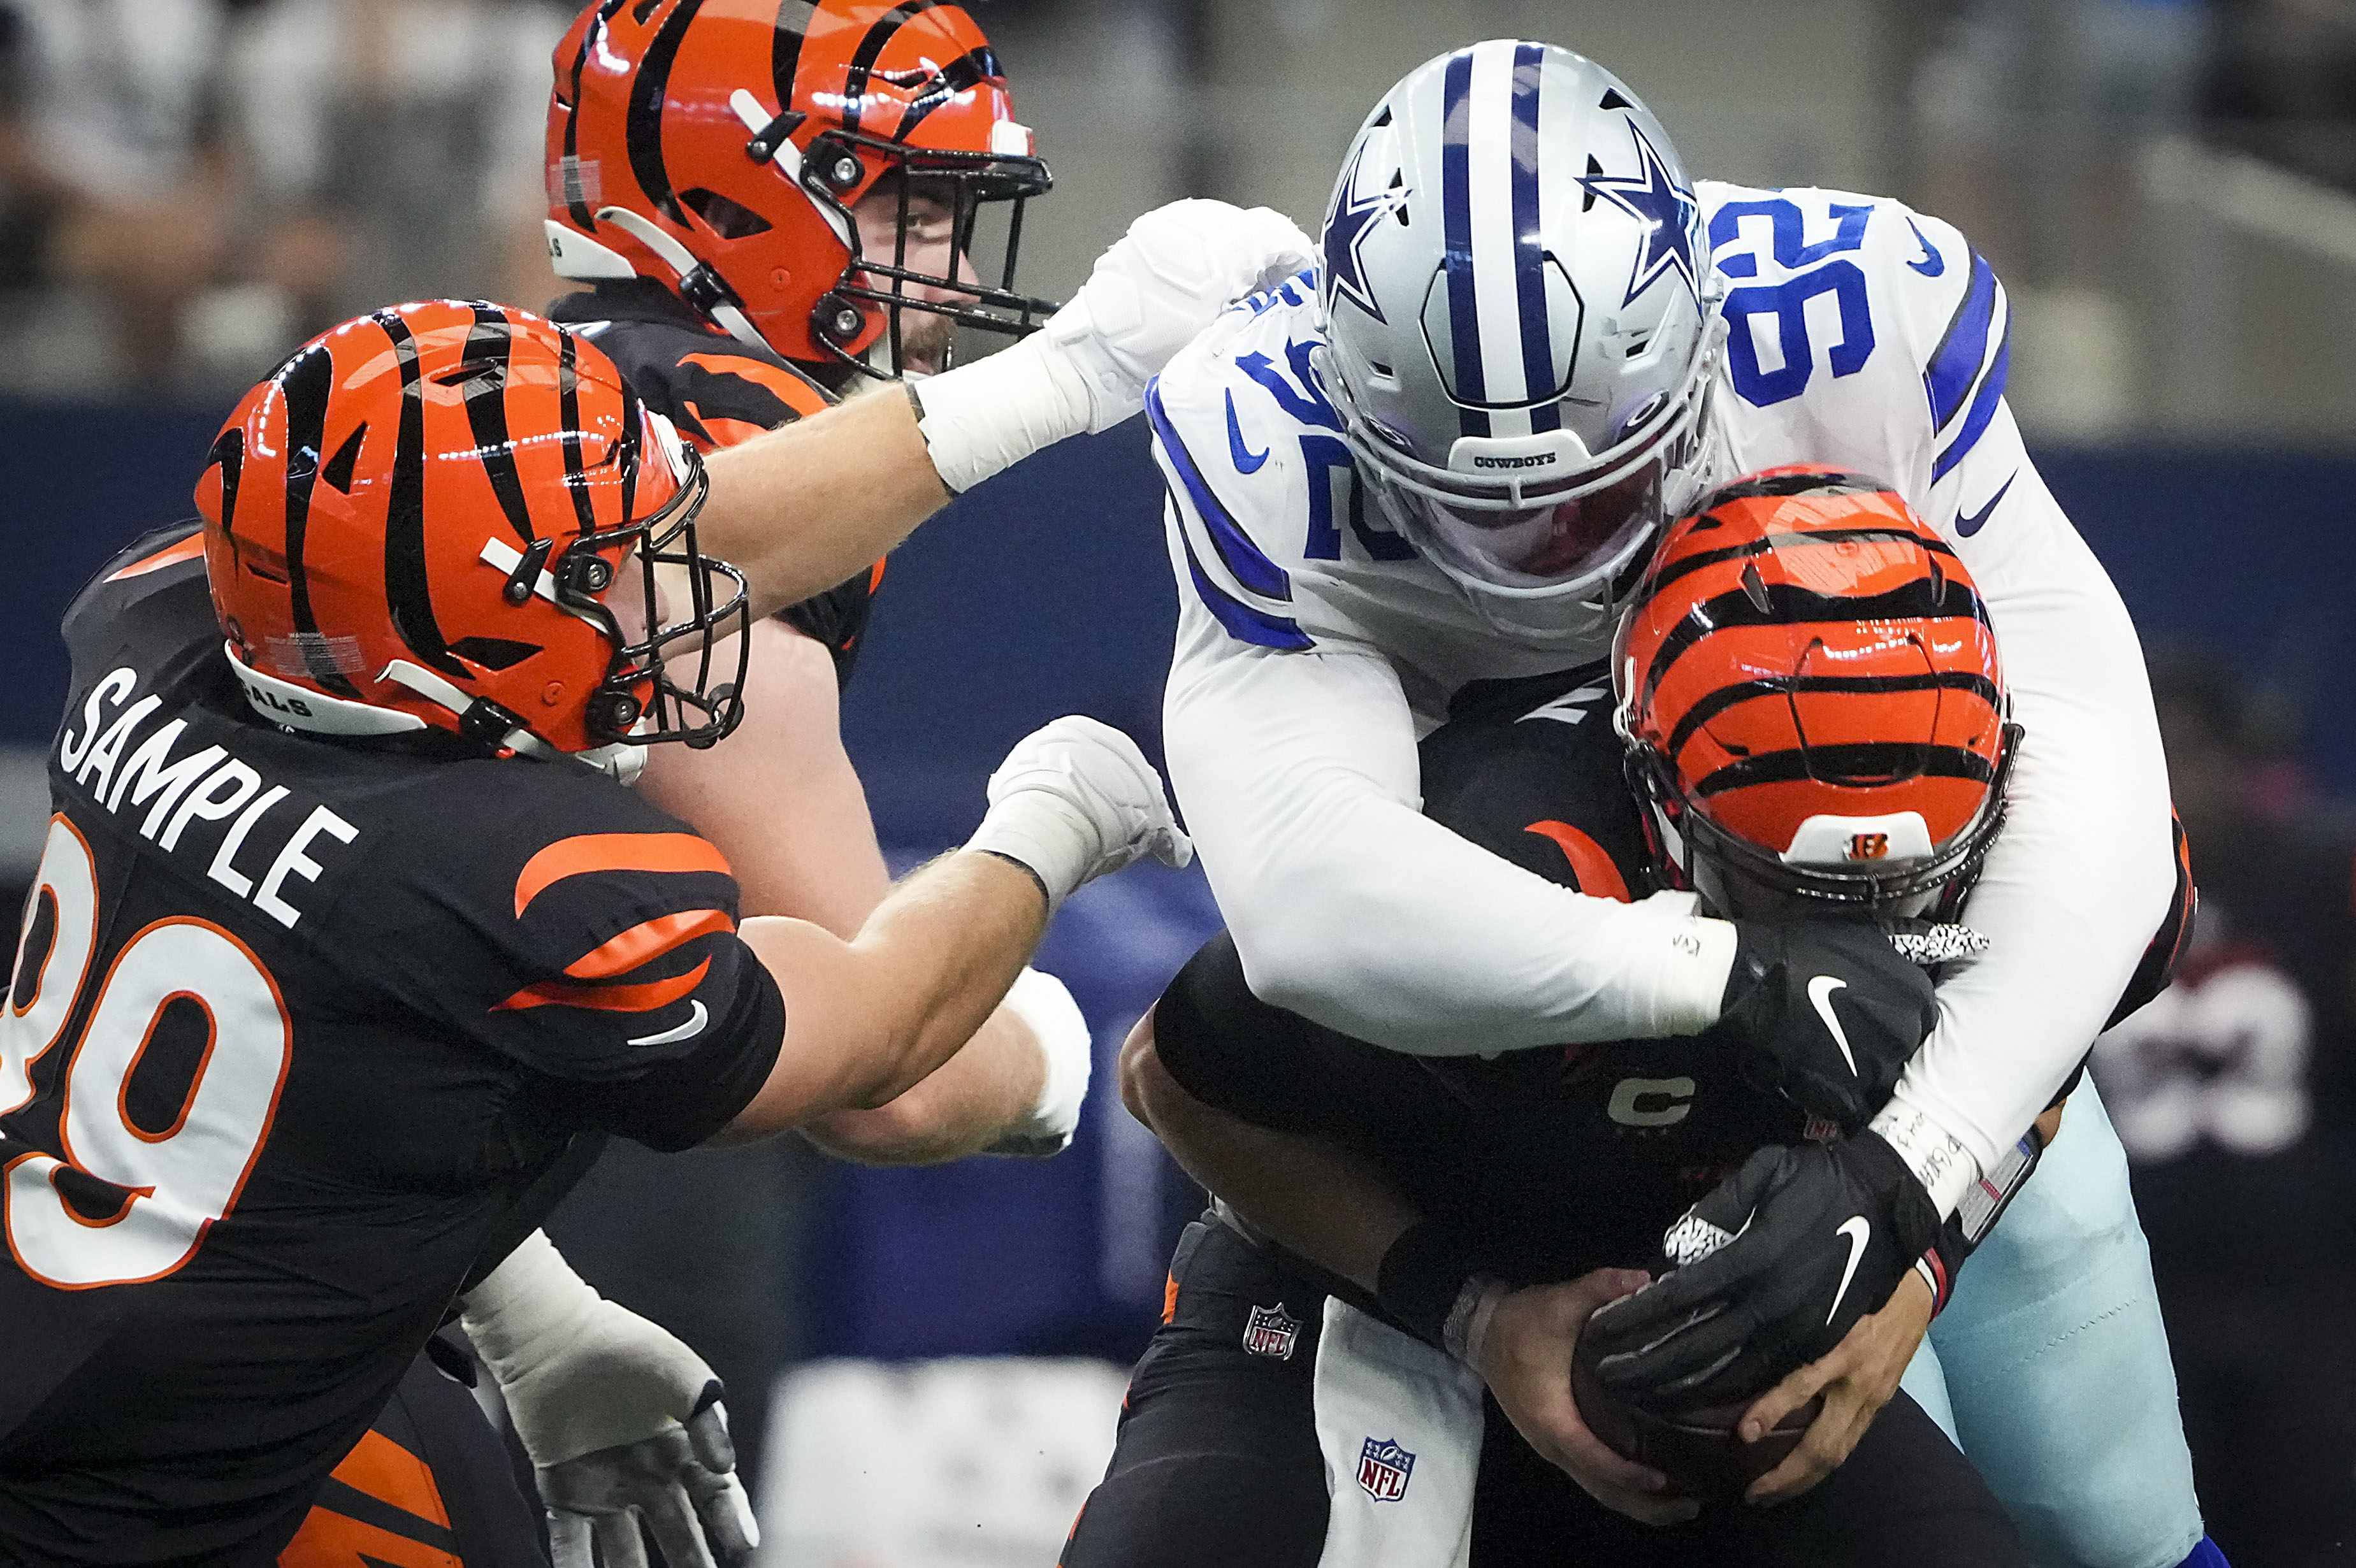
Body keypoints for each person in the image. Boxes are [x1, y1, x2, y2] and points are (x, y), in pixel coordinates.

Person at [0, 175, 1315, 1565]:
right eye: (614, 569)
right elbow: (878, 1032)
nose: (678, 590)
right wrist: (1050, 831)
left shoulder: (163, 629)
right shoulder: (529, 882)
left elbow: (335, 1084)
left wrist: (533, 1316)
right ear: (483, 638)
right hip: (112, 1506)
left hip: (117, 1319)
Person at [1145, 41, 2219, 1568]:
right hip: (1510, 1038)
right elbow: (1306, 928)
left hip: (1870, 1035)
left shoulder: (1861, 324)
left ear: (1701, 344)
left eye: (1589, 495)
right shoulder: (1263, 447)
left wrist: (1912, 1183)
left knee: (2112, 1517)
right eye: (1472, 504)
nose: (1536, 554)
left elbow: (2100, 823)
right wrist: (1719, 973)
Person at [1070, 475, 2052, 1566]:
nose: (1858, 924)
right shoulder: (1502, 857)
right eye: (1788, 884)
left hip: (1706, 1349)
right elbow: (1170, 1075)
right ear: (1653, 791)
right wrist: (1475, 1315)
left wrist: (1912, 1278)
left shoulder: (2035, 848)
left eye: (1909, 885)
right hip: (1373, 1298)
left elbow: (2028, 1068)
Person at [525, 0, 1094, 1497]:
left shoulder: (501, 406)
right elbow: (879, 1075)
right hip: (519, 1221)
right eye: (912, 203)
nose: (956, 274)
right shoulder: (693, 478)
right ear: (734, 193)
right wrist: (1053, 1043)